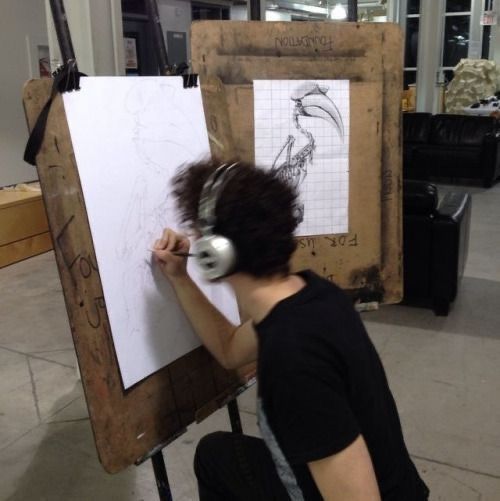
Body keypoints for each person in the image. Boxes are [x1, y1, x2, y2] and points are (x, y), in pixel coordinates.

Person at [152, 158, 430, 501]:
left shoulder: (293, 358)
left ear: (215, 254)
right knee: (216, 456)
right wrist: (180, 278)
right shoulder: (312, 297)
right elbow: (228, 349)